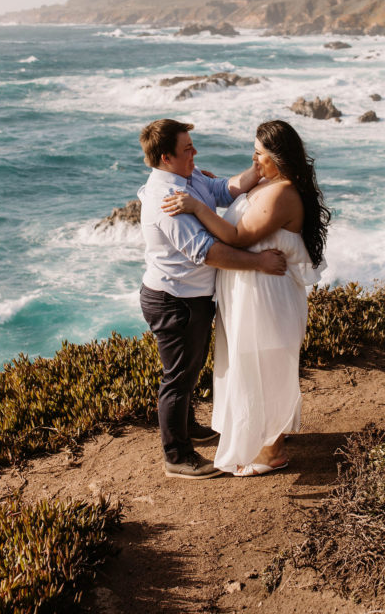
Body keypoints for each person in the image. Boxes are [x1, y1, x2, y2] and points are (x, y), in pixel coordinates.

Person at [162, 119, 330, 476]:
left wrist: (196, 207)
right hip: (250, 293)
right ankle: (263, 440)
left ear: (279, 158)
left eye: (259, 153)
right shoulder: (269, 182)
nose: (253, 159)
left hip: (267, 296)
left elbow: (238, 236)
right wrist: (206, 189)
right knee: (250, 364)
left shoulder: (283, 193)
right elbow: (234, 191)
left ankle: (273, 451)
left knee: (266, 366)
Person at [138, 118, 288, 480]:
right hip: (175, 299)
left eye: (192, 144)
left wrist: (257, 168)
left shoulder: (188, 179)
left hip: (190, 297)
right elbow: (206, 252)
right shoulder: (168, 201)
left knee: (188, 371)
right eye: (187, 148)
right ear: (165, 157)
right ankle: (177, 456)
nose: (195, 152)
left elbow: (222, 189)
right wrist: (260, 264)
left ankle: (186, 428)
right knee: (177, 377)